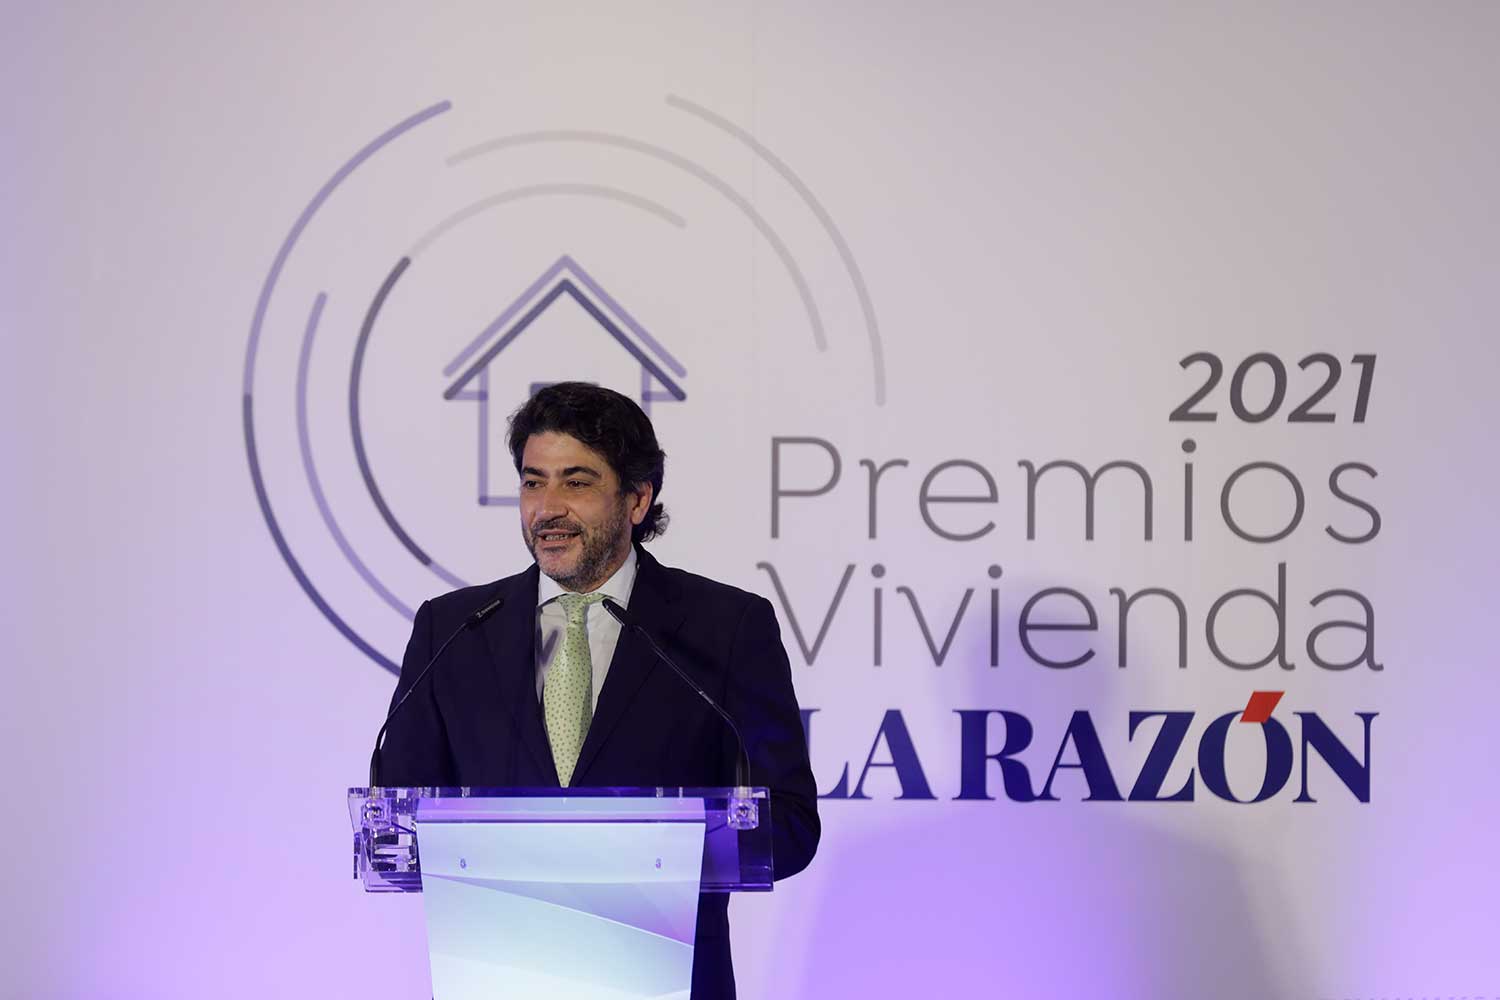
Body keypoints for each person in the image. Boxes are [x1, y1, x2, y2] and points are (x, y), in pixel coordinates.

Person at [379, 381, 820, 999]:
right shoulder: (453, 629)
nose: (548, 508)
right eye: (533, 482)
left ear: (637, 499)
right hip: (499, 977)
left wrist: (648, 852)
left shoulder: (725, 628)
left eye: (576, 482)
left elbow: (791, 824)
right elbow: (394, 818)